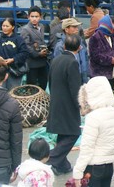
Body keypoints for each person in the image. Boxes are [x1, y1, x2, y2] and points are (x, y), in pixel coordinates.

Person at [71, 76, 114, 187]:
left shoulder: (93, 117)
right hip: (109, 166)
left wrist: (77, 173)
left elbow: (87, 148)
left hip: (93, 167)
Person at [46, 33, 83, 176]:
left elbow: (50, 80)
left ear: (64, 46)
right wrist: (80, 105)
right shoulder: (72, 62)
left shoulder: (56, 60)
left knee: (63, 133)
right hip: (68, 105)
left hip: (56, 101)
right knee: (73, 133)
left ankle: (63, 165)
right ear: (79, 48)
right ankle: (52, 158)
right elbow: (75, 88)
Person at [0, 17, 29, 90]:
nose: (5, 28)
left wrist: (13, 59)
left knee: (13, 91)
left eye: (7, 26)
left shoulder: (18, 39)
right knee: (0, 91)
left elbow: (24, 53)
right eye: (3, 26)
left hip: (14, 71)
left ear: (12, 27)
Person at [20, 7, 50, 90]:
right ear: (28, 17)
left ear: (40, 17)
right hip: (32, 62)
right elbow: (26, 46)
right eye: (32, 16)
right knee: (31, 86)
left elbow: (41, 41)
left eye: (36, 17)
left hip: (42, 61)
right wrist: (37, 54)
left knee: (43, 82)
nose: (34, 19)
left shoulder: (42, 26)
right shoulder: (25, 29)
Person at [88, 15, 114, 89]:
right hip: (100, 75)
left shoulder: (113, 36)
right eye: (113, 25)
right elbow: (95, 56)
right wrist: (110, 60)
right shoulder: (95, 38)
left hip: (112, 73)